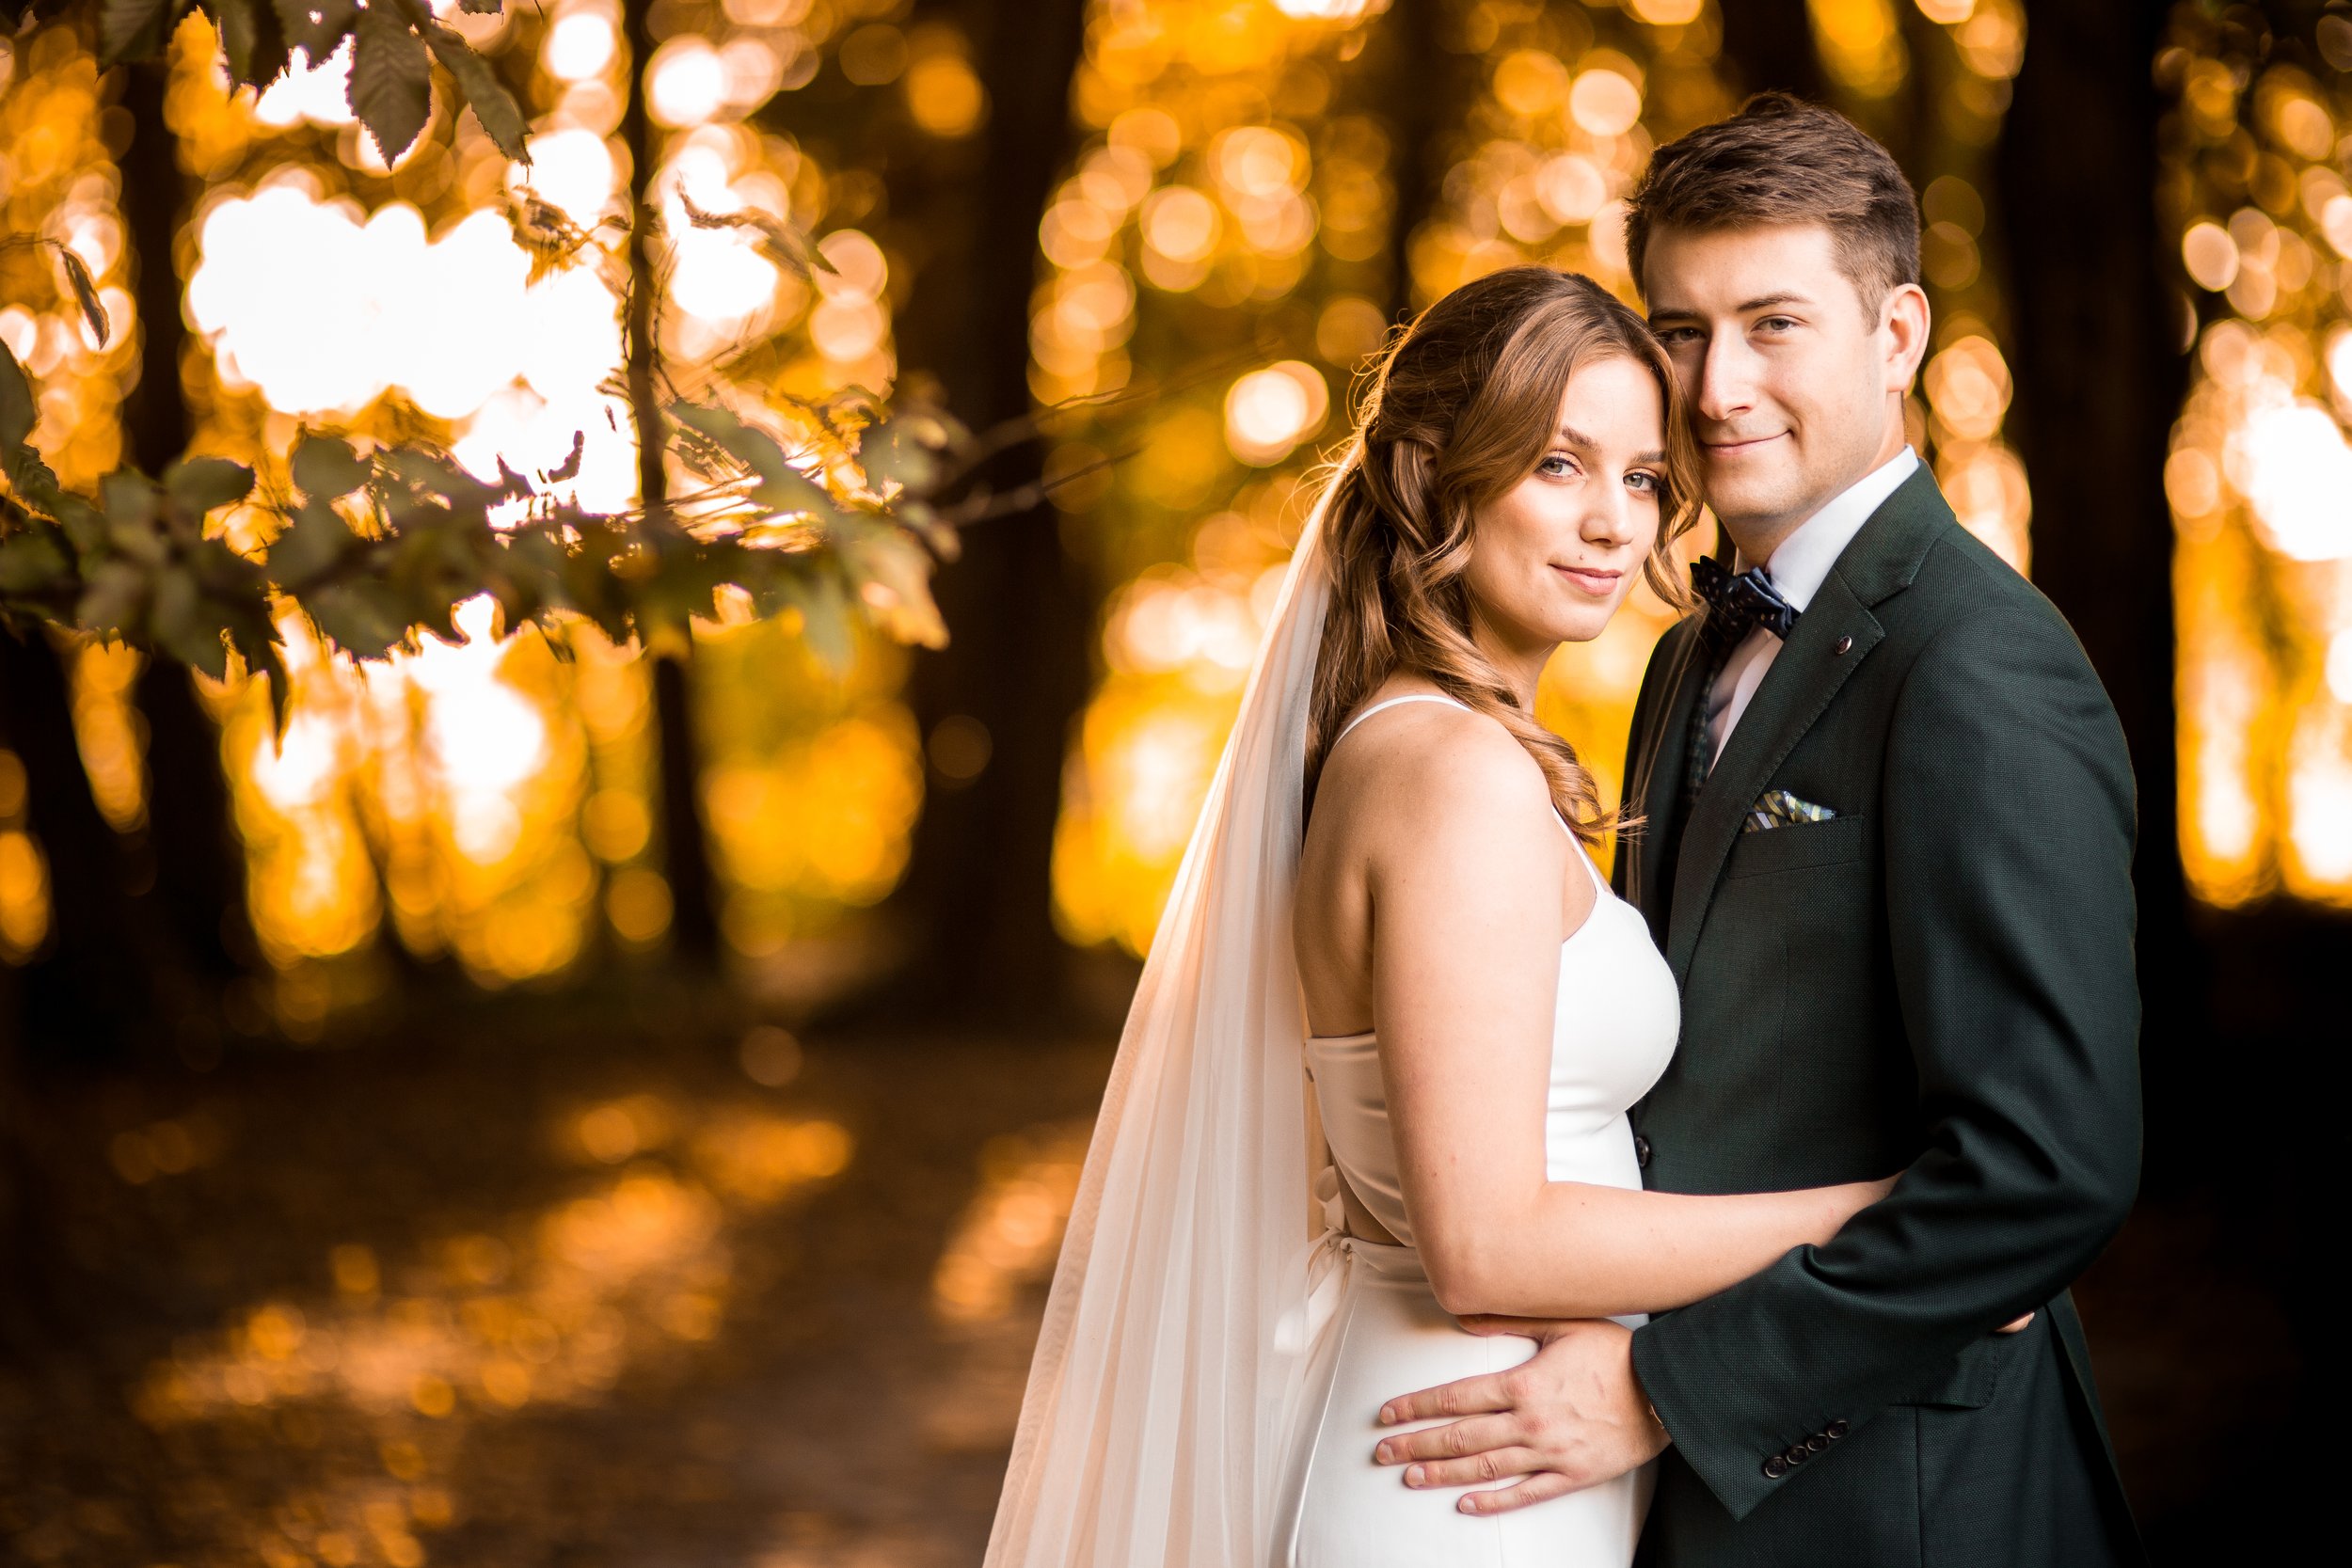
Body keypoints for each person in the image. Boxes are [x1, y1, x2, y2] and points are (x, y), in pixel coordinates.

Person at [984, 263, 1913, 1568]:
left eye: (1644, 479)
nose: (1612, 522)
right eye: (1556, 464)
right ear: (1444, 483)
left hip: (1485, 1455)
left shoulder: (1426, 752)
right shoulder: (1451, 778)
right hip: (1455, 1486)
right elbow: (1486, 1244)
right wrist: (1879, 1222)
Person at [1366, 95, 2147, 1568]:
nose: (1717, 384)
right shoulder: (1682, 654)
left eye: (1774, 322)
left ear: (1897, 332)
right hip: (1675, 1491)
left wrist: (1671, 1390)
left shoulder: (1981, 664)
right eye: (1679, 329)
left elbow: (2048, 1169)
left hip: (1900, 1498)